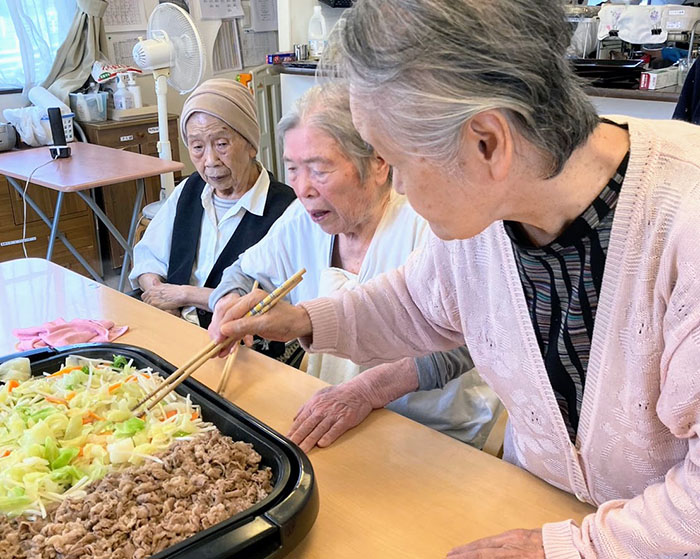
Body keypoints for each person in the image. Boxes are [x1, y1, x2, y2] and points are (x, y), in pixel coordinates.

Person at [209, 0, 700, 557]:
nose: (394, 187)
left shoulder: (684, 219)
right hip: (535, 500)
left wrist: (567, 547)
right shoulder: (487, 214)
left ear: (486, 143)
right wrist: (301, 318)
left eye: (395, 160)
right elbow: (417, 305)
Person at [209, 83, 501, 449]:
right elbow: (244, 272)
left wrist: (368, 390)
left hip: (433, 431)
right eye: (292, 170)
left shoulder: (427, 222)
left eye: (319, 170)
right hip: (334, 415)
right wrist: (227, 302)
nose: (302, 189)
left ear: (378, 163)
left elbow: (469, 341)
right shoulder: (302, 219)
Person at [129, 79, 295, 328]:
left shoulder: (285, 209)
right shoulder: (189, 190)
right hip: (172, 323)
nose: (210, 160)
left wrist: (184, 295)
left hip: (235, 339)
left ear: (251, 145)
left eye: (221, 144)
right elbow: (147, 258)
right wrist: (160, 296)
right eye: (197, 147)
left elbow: (270, 301)